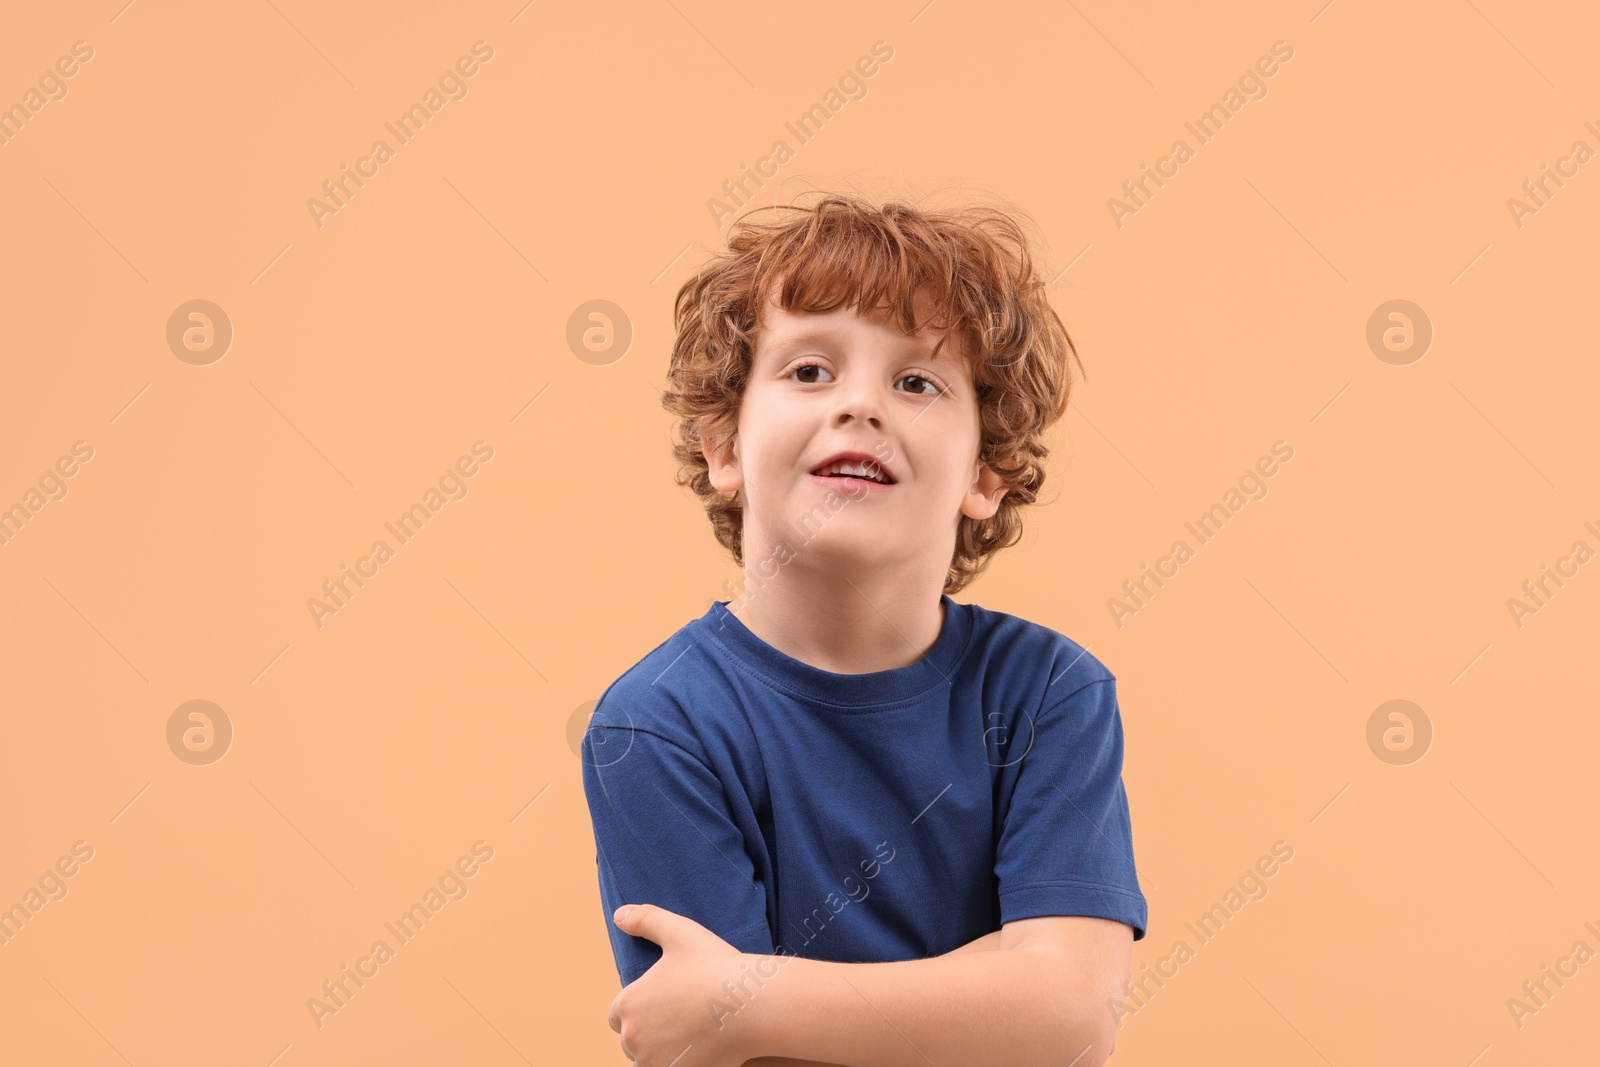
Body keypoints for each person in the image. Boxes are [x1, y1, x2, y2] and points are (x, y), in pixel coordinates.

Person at [581, 191, 1148, 1067]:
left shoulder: (1050, 692)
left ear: (987, 473)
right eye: (810, 371)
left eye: (917, 382)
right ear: (723, 446)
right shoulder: (657, 725)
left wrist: (752, 1000)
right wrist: (1005, 981)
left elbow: (1071, 1016)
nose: (860, 405)